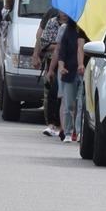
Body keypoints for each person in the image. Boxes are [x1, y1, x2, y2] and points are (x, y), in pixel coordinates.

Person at [56, 12, 86, 142]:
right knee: (68, 105)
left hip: (84, 73)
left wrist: (81, 65)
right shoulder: (67, 31)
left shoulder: (86, 32)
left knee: (80, 105)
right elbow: (61, 53)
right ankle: (68, 132)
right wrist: (61, 67)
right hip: (69, 72)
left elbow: (82, 48)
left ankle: (79, 132)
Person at [38, 8, 67, 137]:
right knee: (53, 92)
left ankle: (63, 126)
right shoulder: (52, 22)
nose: (65, 13)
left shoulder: (75, 25)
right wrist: (60, 45)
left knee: (65, 95)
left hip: (69, 63)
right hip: (53, 62)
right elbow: (44, 43)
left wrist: (58, 44)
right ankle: (51, 124)